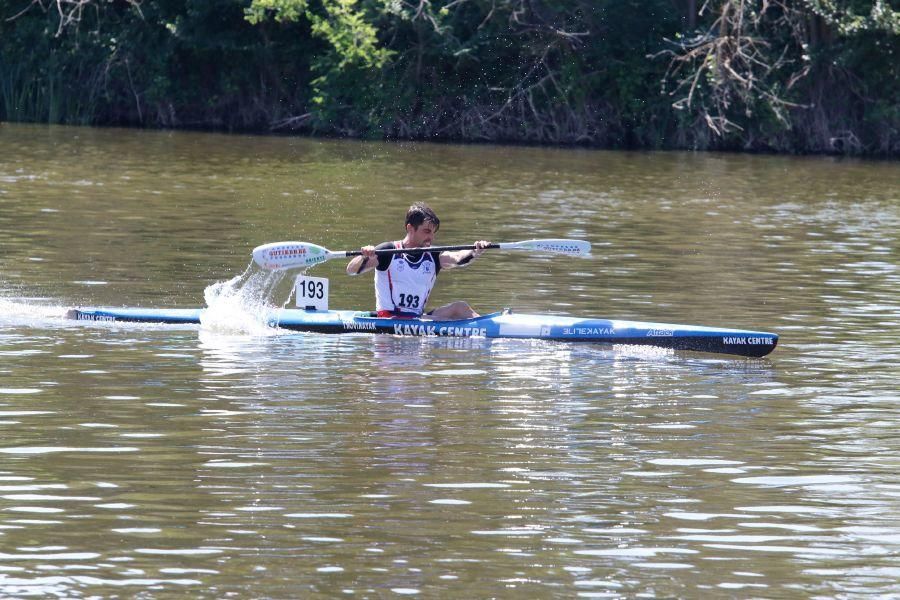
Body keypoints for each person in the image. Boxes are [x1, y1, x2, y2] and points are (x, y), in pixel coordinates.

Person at [346, 203, 490, 320]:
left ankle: (491, 326)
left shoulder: (434, 256)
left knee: (460, 307)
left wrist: (475, 251)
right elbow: (351, 270)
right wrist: (365, 256)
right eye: (427, 231)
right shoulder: (388, 251)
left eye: (433, 233)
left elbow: (458, 258)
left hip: (417, 319)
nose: (431, 238)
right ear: (410, 228)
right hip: (388, 319)